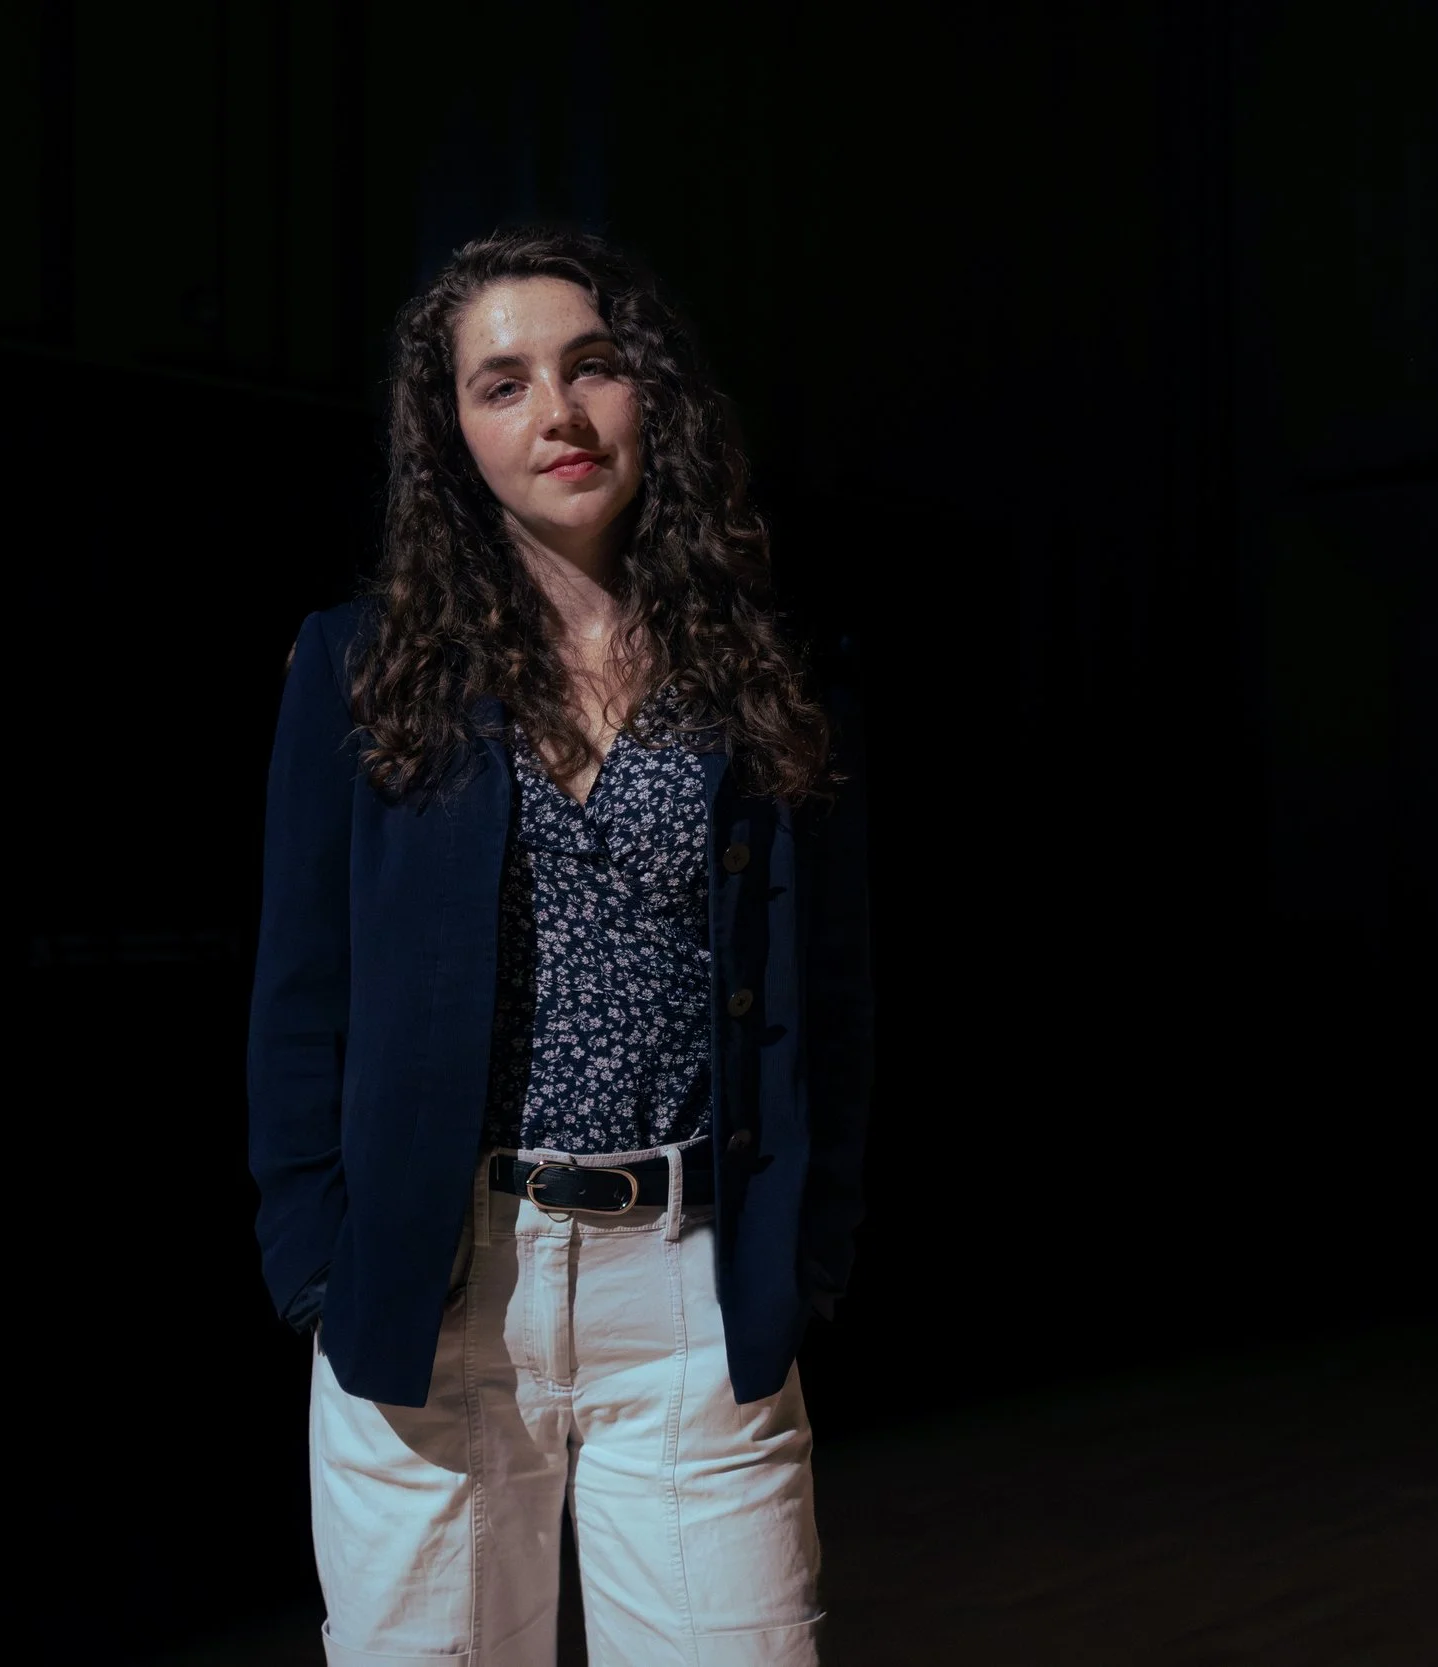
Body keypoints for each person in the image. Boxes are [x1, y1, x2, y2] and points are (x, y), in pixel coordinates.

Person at [247, 226, 873, 1666]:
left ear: (651, 388)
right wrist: (321, 1265)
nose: (559, 415)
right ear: (450, 429)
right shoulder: (358, 662)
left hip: (696, 1297)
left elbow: (834, 992)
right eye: (504, 381)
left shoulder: (776, 663)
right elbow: (300, 995)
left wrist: (806, 1249)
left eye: (593, 367)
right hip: (441, 1286)